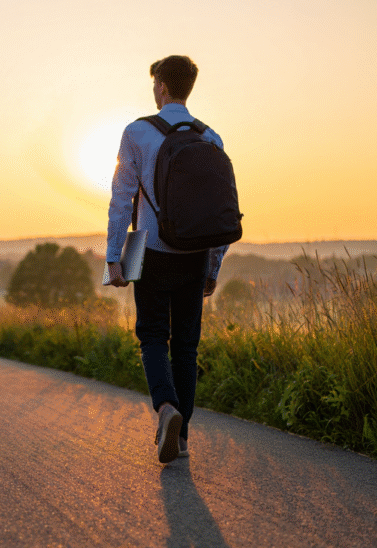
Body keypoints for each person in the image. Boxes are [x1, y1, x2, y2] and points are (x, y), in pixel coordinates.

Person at [104, 55, 229, 463]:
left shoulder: (137, 132)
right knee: (186, 347)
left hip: (150, 251)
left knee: (154, 337)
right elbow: (220, 211)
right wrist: (213, 267)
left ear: (160, 86)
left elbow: (122, 199)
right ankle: (183, 438)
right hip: (195, 255)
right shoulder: (211, 138)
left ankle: (165, 409)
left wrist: (114, 257)